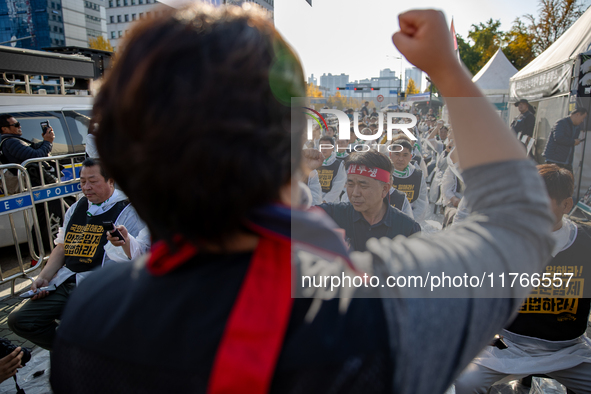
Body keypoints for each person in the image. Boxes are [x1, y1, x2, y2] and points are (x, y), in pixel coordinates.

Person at [50, 7, 554, 394]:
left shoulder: (89, 315)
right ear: (292, 156)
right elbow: (520, 222)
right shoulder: (373, 314)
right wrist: (448, 69)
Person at [455, 164, 591, 394]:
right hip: (511, 345)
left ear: (566, 205)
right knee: (467, 382)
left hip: (568, 349)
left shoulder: (585, 242)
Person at [7, 158, 148, 350]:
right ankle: (71, 352)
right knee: (20, 320)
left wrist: (126, 243)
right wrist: (43, 277)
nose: (86, 187)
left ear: (111, 181)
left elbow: (140, 254)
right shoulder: (76, 207)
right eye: (82, 182)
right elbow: (62, 246)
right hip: (67, 281)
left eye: (93, 181)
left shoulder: (129, 211)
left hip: (102, 287)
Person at [318, 150, 421, 252]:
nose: (355, 193)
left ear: (385, 189)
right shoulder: (333, 214)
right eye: (350, 184)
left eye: (363, 186)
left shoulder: (407, 229)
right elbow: (302, 217)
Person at [389, 138, 429, 221]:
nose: (400, 159)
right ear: (390, 155)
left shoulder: (417, 175)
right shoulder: (383, 174)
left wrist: (409, 222)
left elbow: (421, 203)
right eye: (397, 154)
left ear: (410, 157)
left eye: (405, 155)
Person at [543, 108, 589, 172]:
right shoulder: (561, 123)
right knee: (552, 180)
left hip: (567, 161)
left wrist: (576, 141)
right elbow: (558, 138)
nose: (582, 121)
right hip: (554, 159)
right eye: (583, 118)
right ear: (577, 114)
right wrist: (573, 141)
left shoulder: (577, 127)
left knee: (568, 180)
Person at [317, 136, 347, 203]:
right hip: (315, 200)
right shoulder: (314, 163)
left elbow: (338, 186)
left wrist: (325, 201)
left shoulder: (339, 164)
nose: (324, 148)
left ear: (333, 148)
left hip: (331, 203)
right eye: (322, 146)